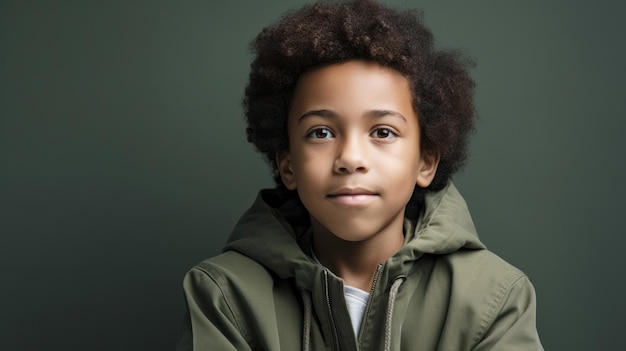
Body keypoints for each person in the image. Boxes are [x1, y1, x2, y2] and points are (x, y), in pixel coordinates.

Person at [175, 1, 543, 350]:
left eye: (382, 132)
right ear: (288, 165)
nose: (350, 159)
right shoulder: (224, 296)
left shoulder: (494, 298)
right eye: (321, 132)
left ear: (425, 162)